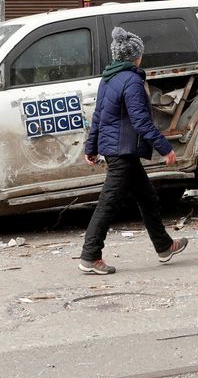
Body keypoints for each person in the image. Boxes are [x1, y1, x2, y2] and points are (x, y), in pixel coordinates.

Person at [79, 27, 189, 275]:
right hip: (123, 152)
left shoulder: (107, 78)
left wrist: (91, 147)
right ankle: (90, 256)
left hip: (118, 150)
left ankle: (164, 246)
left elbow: (98, 117)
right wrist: (165, 148)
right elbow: (141, 122)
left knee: (147, 197)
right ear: (135, 56)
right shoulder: (132, 81)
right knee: (108, 203)